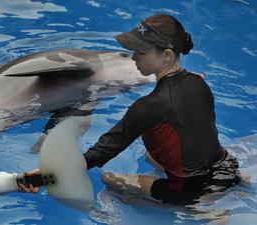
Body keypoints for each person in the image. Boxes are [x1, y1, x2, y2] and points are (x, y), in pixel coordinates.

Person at [19, 14, 241, 205]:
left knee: (110, 180)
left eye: (141, 52)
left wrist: (46, 176)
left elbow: (99, 154)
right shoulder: (199, 83)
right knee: (151, 155)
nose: (133, 58)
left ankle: (188, 209)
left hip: (189, 192)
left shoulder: (149, 106)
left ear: (166, 55)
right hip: (227, 167)